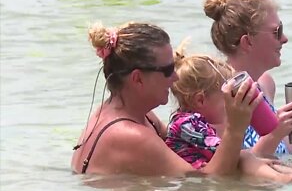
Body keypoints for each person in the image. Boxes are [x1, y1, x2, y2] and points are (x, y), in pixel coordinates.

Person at [71, 21, 263, 177]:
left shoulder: (141, 116)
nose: (176, 78)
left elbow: (190, 152)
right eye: (168, 70)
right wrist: (236, 128)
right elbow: (209, 183)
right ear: (137, 79)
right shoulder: (130, 135)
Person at [165, 40, 292, 183]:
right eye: (228, 98)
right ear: (200, 100)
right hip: (198, 181)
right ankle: (281, 179)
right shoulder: (187, 123)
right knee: (246, 157)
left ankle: (287, 176)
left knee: (252, 159)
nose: (232, 105)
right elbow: (228, 151)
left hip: (213, 172)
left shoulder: (200, 122)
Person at [203, 0, 292, 157]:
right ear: (247, 42)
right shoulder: (220, 97)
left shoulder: (265, 84)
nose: (284, 38)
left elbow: (287, 159)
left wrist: (291, 125)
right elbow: (229, 170)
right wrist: (277, 132)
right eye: (277, 31)